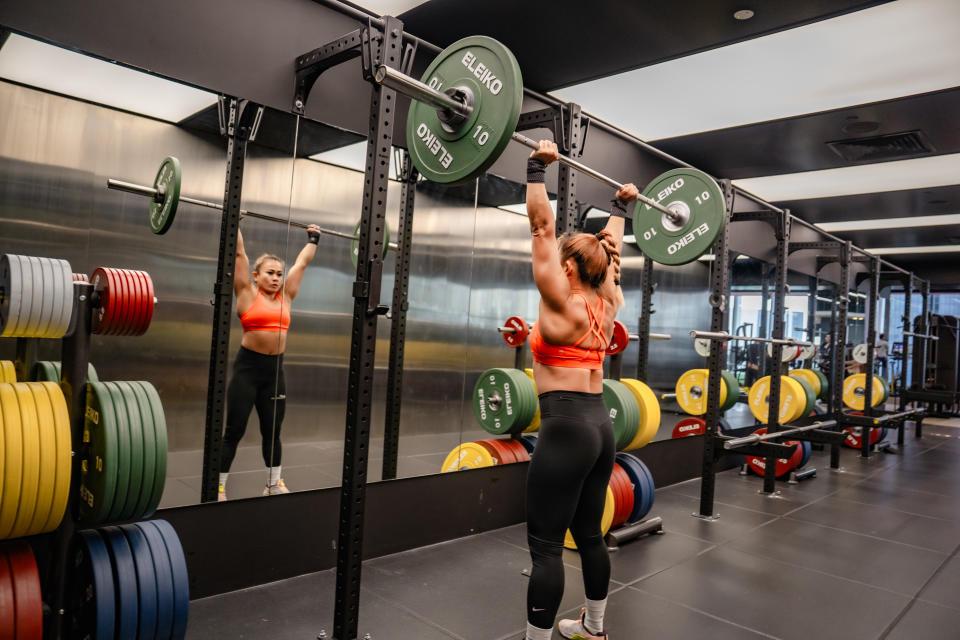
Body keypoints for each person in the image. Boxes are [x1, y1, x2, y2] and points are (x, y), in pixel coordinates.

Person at [522, 139, 635, 640]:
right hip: (599, 423)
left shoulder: (560, 301)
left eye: (563, 256)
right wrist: (619, 209)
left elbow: (542, 226)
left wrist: (534, 170)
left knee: (545, 547)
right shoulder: (606, 302)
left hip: (565, 425)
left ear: (568, 267)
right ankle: (594, 629)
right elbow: (607, 246)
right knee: (590, 534)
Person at [218, 224, 321, 501]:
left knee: (272, 431)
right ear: (256, 275)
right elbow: (239, 253)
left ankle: (273, 483)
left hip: (275, 372)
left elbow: (302, 263)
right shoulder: (247, 293)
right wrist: (235, 220)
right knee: (234, 430)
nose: (276, 278)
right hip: (247, 371)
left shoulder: (286, 296)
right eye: (270, 273)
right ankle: (217, 486)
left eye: (279, 274)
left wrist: (314, 238)